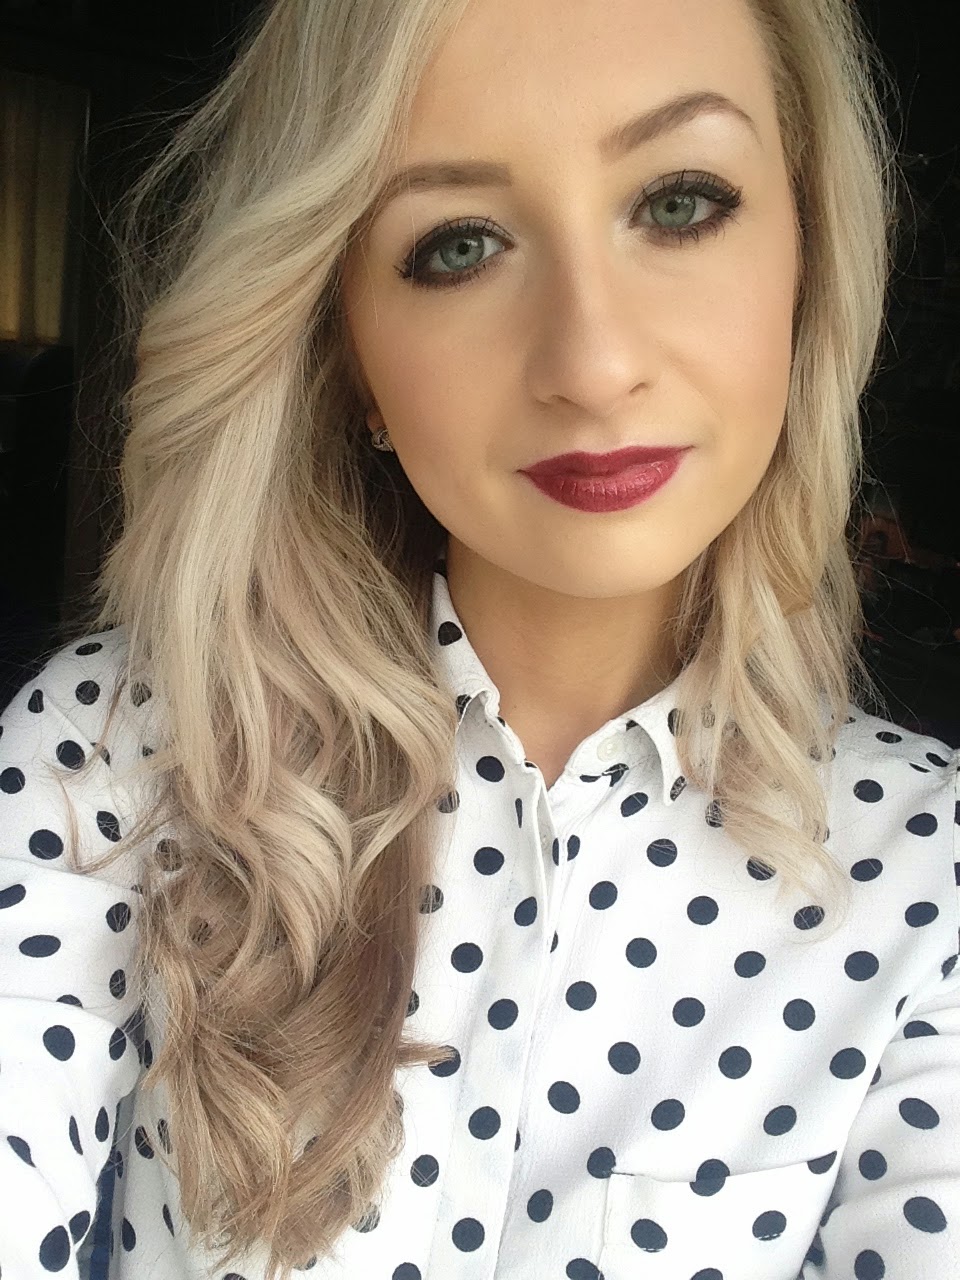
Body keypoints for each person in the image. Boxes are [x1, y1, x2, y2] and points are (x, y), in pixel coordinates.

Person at [1, 0, 958, 1276]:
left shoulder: (931, 869)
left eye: (679, 203)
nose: (593, 361)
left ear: (810, 251)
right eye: (458, 245)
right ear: (349, 350)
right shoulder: (114, 753)